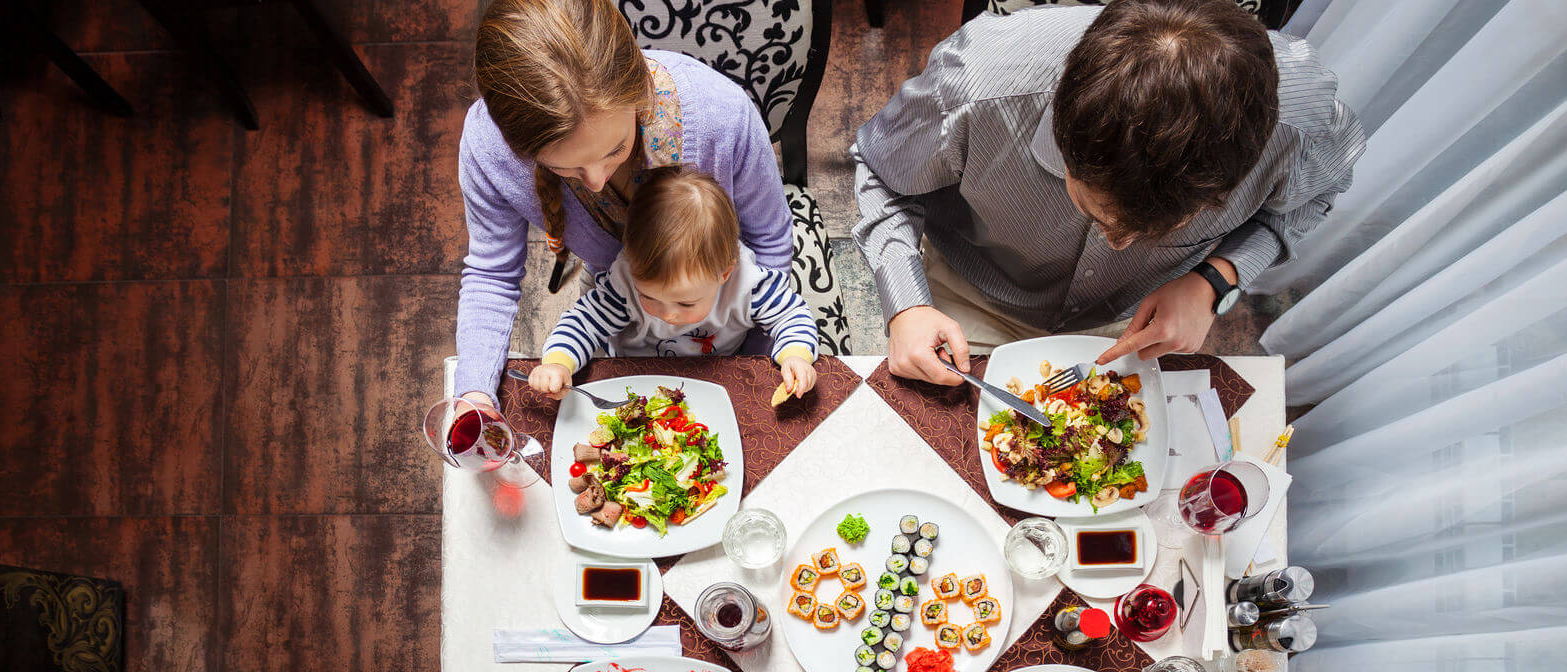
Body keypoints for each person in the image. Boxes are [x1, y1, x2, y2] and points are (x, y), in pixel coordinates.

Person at [853, 0, 1365, 386]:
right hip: (969, 295)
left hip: (1136, 322)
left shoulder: (1302, 124)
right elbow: (881, 173)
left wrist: (1214, 279)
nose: (1120, 245)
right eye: (1093, 209)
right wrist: (906, 306)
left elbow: (1309, 202)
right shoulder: (977, 85)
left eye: (1160, 231)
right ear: (1064, 134)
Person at [456, 0, 795, 407]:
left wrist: (749, 372)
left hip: (728, 327)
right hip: (619, 311)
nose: (597, 182)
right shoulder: (489, 149)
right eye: (566, 168)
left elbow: (769, 245)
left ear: (639, 92)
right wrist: (473, 395)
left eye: (616, 148)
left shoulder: (722, 115)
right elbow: (492, 278)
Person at [528, 167, 819, 401]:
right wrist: (558, 362)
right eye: (649, 296)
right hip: (636, 380)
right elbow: (583, 322)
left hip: (716, 377)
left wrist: (796, 354)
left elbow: (792, 315)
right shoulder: (626, 282)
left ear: (724, 274)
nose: (667, 314)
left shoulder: (747, 284)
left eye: (686, 303)